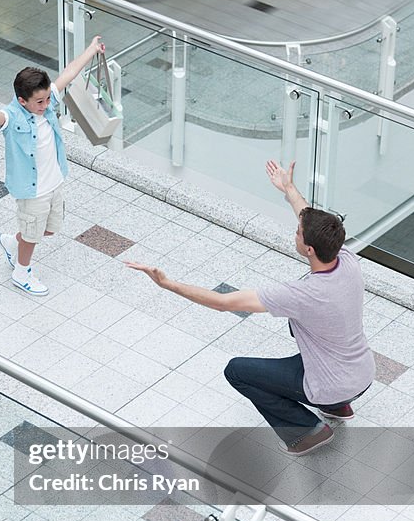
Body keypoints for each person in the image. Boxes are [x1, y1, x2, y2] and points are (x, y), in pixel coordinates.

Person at [126, 160, 375, 456]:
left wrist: (168, 284)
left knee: (237, 370)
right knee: (307, 335)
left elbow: (222, 303)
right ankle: (338, 407)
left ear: (309, 249)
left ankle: (308, 432)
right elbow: (309, 220)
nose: (295, 232)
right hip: (363, 374)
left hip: (331, 383)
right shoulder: (346, 260)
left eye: (297, 232)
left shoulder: (301, 294)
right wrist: (288, 189)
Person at [0, 36, 105, 295]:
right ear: (22, 100)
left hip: (55, 182)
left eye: (46, 100)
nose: (45, 105)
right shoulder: (13, 117)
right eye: (39, 102)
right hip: (32, 191)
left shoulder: (47, 100)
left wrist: (92, 49)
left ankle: (12, 243)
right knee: (33, 235)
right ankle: (22, 272)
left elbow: (69, 73)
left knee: (48, 230)